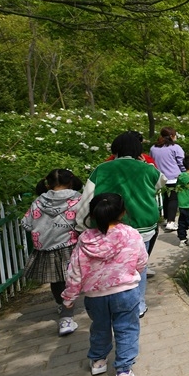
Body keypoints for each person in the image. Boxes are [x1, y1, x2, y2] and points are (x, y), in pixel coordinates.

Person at [62, 193, 146, 376]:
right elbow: (142, 260)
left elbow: (75, 270)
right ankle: (123, 372)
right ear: (123, 212)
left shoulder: (85, 239)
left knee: (99, 327)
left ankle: (99, 361)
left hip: (95, 296)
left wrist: (69, 298)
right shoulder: (131, 234)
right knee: (126, 329)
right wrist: (133, 272)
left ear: (93, 214)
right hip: (126, 292)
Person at [76, 131, 164, 318]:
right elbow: (160, 183)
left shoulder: (102, 169)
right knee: (139, 265)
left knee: (111, 263)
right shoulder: (147, 169)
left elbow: (87, 198)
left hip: (110, 225)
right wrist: (146, 164)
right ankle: (138, 304)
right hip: (143, 225)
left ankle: (109, 298)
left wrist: (81, 225)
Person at [22, 168, 82, 337]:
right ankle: (66, 317)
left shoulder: (39, 201)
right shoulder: (78, 199)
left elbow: (27, 224)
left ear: (48, 183)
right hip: (71, 245)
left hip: (47, 246)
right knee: (73, 279)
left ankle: (61, 305)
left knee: (57, 281)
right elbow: (85, 220)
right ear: (71, 181)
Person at [149, 127, 185, 232]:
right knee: (173, 199)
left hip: (160, 177)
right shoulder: (175, 148)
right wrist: (184, 172)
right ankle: (171, 221)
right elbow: (181, 162)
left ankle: (166, 219)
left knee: (166, 198)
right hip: (174, 177)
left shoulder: (153, 148)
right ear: (171, 136)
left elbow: (152, 161)